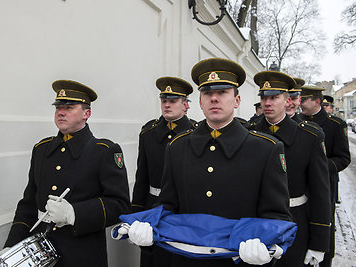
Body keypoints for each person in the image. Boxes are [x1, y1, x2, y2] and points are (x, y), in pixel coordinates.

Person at [127, 58, 292, 267]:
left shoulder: (266, 149)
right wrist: (151, 231)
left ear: (237, 100)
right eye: (207, 93)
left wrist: (267, 250)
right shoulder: (178, 147)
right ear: (200, 102)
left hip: (239, 260)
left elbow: (277, 215)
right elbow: (168, 205)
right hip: (186, 259)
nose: (214, 98)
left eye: (222, 92)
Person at [0, 80, 131, 267]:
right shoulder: (41, 149)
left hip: (83, 253)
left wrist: (74, 214)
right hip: (41, 254)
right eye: (58, 107)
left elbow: (119, 205)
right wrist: (11, 246)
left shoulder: (104, 151)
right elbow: (28, 205)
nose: (61, 112)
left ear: (86, 114)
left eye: (69, 107)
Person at [249, 71, 331, 267]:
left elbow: (320, 192)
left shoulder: (309, 136)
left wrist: (319, 243)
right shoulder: (248, 133)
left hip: (296, 223)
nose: (267, 103)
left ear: (287, 101)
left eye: (274, 97)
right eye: (263, 97)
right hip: (256, 223)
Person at [131, 76, 197, 267]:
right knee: (153, 258)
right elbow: (141, 176)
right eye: (164, 100)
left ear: (186, 105)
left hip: (183, 210)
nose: (167, 105)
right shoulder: (148, 133)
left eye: (173, 101)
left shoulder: (195, 134)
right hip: (153, 206)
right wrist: (136, 213)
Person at [300, 85, 351, 267]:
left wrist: (320, 167)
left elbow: (344, 158)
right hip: (300, 186)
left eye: (304, 100)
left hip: (324, 187)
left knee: (323, 227)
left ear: (317, 101)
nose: (300, 103)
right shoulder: (297, 122)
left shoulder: (335, 125)